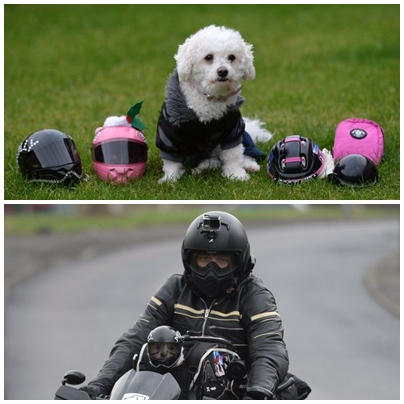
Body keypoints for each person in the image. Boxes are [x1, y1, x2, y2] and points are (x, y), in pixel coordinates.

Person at [80, 211, 290, 399]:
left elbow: (269, 348)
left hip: (232, 393)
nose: (211, 269)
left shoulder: (253, 295)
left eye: (221, 261)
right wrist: (101, 383)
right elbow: (136, 337)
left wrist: (258, 392)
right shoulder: (175, 288)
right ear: (189, 259)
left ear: (239, 262)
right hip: (170, 392)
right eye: (204, 259)